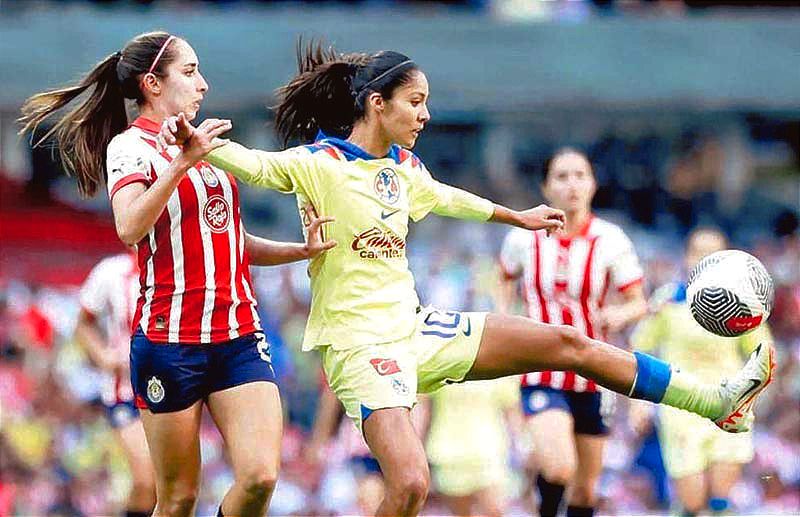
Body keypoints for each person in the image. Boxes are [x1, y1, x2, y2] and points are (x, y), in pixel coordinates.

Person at [159, 42, 775, 516]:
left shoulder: (403, 167)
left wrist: (517, 215)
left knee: (570, 344)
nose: (425, 115)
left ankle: (713, 401)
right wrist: (196, 144)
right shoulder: (319, 165)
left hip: (416, 329)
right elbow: (258, 166)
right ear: (378, 104)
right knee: (410, 483)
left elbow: (452, 198)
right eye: (416, 102)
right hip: (360, 349)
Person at [19, 32, 336, 517]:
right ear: (152, 84)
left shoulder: (208, 149)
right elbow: (129, 226)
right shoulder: (130, 148)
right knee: (177, 498)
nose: (203, 84)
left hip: (237, 334)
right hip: (171, 342)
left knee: (260, 478)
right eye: (189, 72)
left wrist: (301, 249)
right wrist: (182, 162)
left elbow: (229, 241)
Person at [497, 148, 647, 517]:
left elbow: (637, 301)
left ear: (593, 184)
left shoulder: (611, 240)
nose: (572, 185)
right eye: (562, 177)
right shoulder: (523, 237)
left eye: (580, 175)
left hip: (595, 373)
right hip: (541, 369)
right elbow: (503, 279)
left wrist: (619, 313)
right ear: (546, 187)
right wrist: (505, 318)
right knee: (559, 466)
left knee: (585, 490)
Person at [630, 227, 772, 517]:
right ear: (686, 257)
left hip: (727, 406)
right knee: (693, 504)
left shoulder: (743, 302)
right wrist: (637, 406)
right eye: (698, 252)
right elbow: (638, 350)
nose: (705, 259)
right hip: (681, 411)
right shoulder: (668, 301)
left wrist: (749, 397)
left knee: (720, 499)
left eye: (714, 253)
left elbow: (763, 353)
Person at [74, 249, 156, 517]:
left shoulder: (179, 270)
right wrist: (103, 357)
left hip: (170, 390)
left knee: (168, 487)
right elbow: (83, 324)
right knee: (146, 476)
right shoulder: (112, 272)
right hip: (125, 391)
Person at [424, 377, 519, 517]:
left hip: (490, 450)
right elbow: (424, 410)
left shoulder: (498, 367)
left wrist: (523, 444)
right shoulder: (440, 365)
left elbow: (511, 410)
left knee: (495, 510)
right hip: (448, 453)